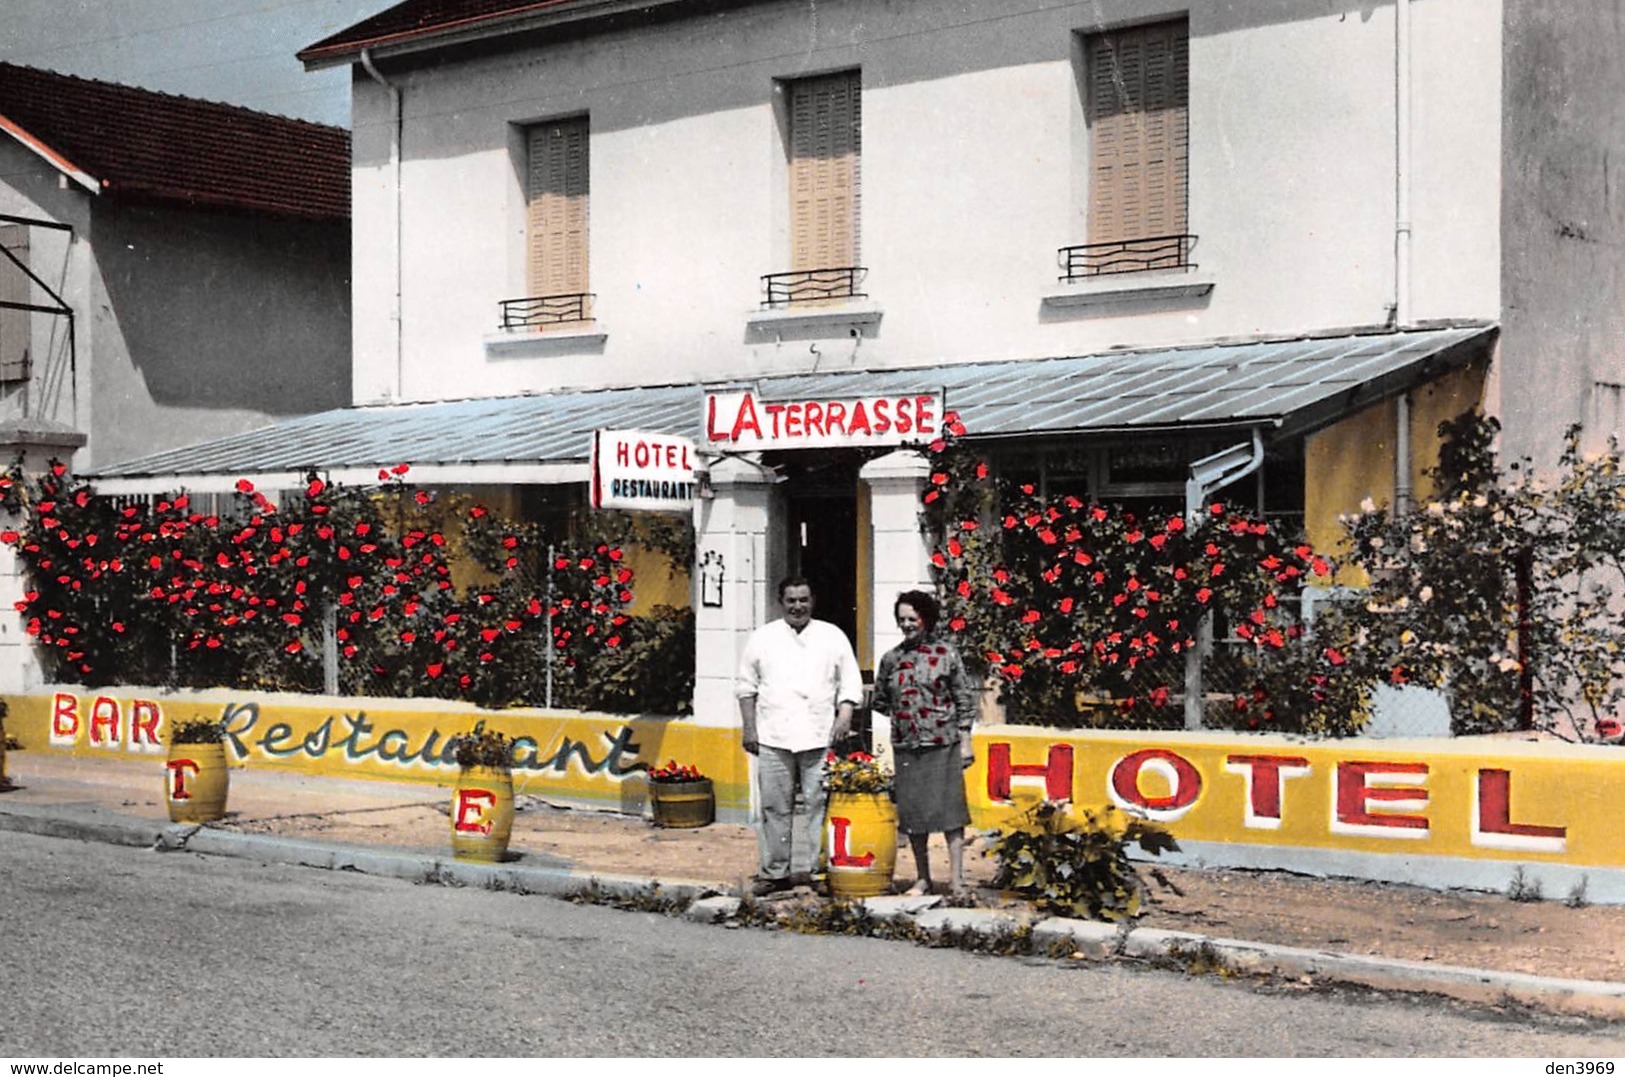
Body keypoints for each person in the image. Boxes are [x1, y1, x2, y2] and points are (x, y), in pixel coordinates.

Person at [736, 576, 863, 896]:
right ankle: (775, 871)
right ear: (781, 602)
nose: (797, 606)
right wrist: (750, 729)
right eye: (791, 600)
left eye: (803, 600)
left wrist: (844, 716)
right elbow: (746, 688)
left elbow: (849, 683)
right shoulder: (762, 638)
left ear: (813, 601)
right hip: (773, 735)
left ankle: (820, 872)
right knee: (775, 807)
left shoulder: (832, 636)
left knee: (819, 805)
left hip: (820, 735)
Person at [870, 589, 977, 897]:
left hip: (943, 744)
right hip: (907, 746)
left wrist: (965, 740)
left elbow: (963, 699)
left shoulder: (946, 654)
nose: (907, 625)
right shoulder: (891, 659)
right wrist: (907, 715)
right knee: (914, 815)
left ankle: (957, 880)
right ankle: (923, 878)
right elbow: (880, 700)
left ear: (925, 619)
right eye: (901, 619)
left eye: (912, 618)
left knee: (950, 813)